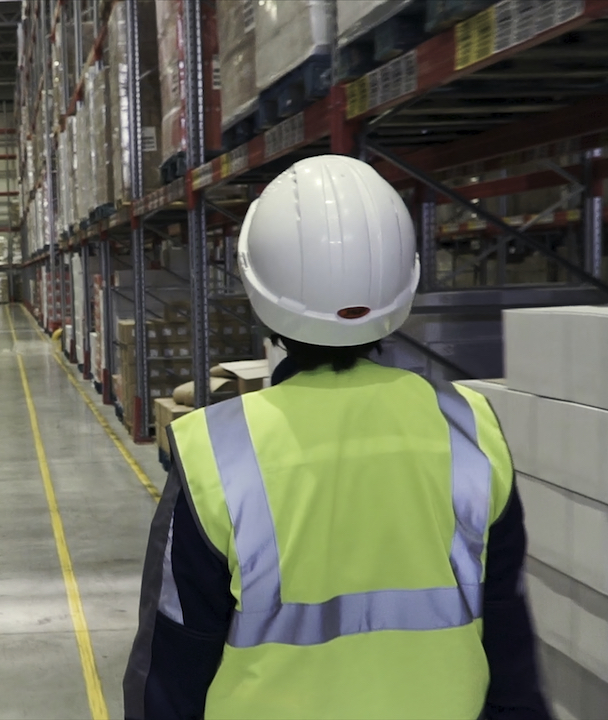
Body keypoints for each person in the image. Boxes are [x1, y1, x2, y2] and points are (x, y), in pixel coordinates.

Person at [123, 155, 550, 720]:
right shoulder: (468, 427)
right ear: (403, 282)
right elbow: (510, 648)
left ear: (259, 289)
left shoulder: (215, 453)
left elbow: (172, 670)